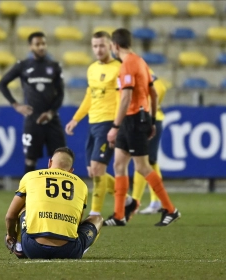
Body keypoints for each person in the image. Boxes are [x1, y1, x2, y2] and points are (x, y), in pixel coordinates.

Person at [106, 28, 181, 226]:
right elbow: (154, 93)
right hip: (136, 119)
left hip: (132, 120)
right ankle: (119, 214)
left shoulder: (127, 65)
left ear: (115, 46)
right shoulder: (140, 61)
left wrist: (115, 126)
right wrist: (152, 117)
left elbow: (126, 98)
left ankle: (170, 209)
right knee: (119, 165)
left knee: (142, 166)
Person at [65, 31, 139, 221]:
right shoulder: (91, 69)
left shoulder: (119, 68)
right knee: (92, 171)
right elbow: (90, 96)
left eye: (102, 45)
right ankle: (129, 201)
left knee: (98, 169)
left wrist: (117, 125)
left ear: (110, 46)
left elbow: (124, 97)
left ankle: (95, 213)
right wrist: (76, 118)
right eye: (95, 46)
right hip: (93, 122)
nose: (98, 49)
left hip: (109, 122)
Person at [5, 147, 103, 259]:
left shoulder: (31, 176)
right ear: (71, 171)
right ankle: (81, 250)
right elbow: (77, 224)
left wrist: (10, 234)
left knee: (24, 205)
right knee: (97, 218)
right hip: (69, 250)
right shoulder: (81, 185)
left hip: (33, 248)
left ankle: (19, 247)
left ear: (50, 162)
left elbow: (10, 217)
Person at [0, 32, 66, 174]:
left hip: (51, 119)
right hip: (32, 119)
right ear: (30, 47)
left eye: (43, 44)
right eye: (37, 44)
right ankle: (26, 195)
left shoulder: (54, 66)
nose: (41, 47)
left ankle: (59, 194)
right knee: (30, 159)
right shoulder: (23, 66)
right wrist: (16, 105)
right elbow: (2, 84)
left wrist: (51, 113)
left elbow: (60, 94)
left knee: (61, 158)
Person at [132, 70, 167, 214]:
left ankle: (137, 201)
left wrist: (150, 105)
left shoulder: (142, 71)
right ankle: (156, 201)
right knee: (148, 161)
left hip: (148, 120)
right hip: (139, 120)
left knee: (144, 161)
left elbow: (160, 88)